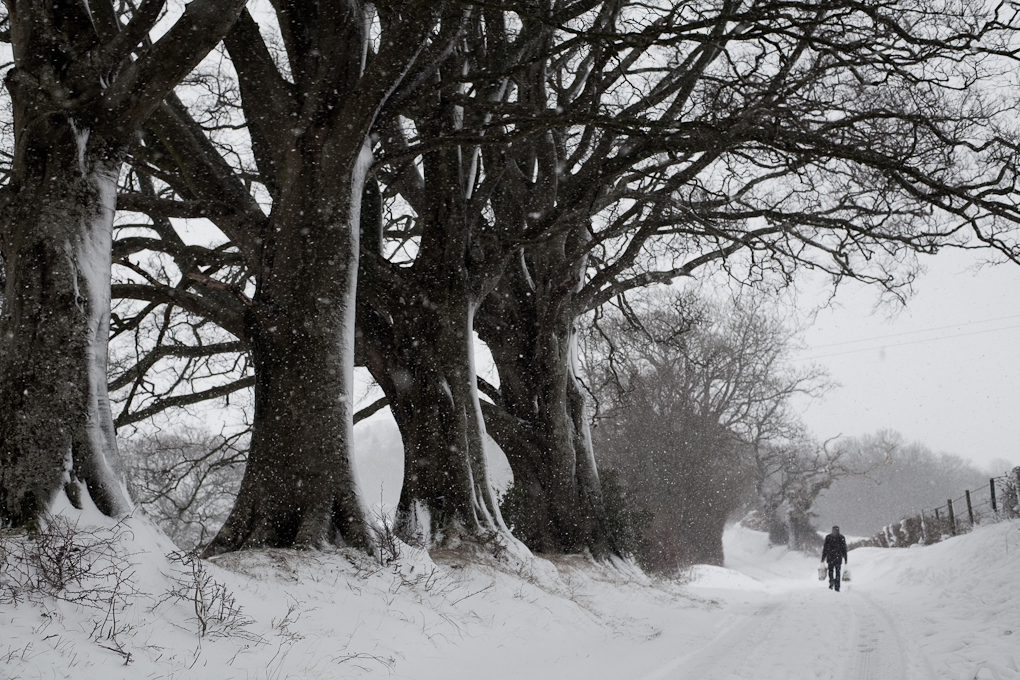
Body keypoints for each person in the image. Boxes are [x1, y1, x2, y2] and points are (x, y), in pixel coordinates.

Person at [821, 525, 848, 591]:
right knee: (838, 572)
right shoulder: (841, 538)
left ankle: (831, 582)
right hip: (838, 558)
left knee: (830, 571)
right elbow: (844, 549)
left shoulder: (828, 537)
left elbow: (825, 548)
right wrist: (845, 558)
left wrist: (823, 557)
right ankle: (837, 586)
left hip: (830, 558)